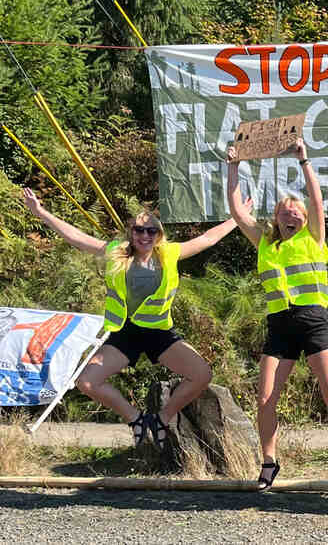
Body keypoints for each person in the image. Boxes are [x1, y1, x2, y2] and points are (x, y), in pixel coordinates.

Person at [22, 187, 238, 451]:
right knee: (86, 382)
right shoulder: (116, 252)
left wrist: (238, 216)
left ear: (159, 236)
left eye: (151, 231)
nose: (144, 235)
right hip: (125, 333)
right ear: (131, 232)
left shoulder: (169, 253)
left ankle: (161, 419)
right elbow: (77, 237)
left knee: (201, 374)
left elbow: (208, 238)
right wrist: (40, 212)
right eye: (139, 230)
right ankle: (136, 420)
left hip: (159, 332)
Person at [226, 138, 328, 490]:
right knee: (265, 398)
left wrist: (304, 161)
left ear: (305, 218)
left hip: (314, 320)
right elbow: (238, 211)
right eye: (284, 211)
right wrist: (233, 165)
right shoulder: (264, 241)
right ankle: (269, 461)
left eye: (296, 211)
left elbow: (317, 201)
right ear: (276, 218)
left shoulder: (314, 237)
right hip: (279, 326)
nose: (290, 214)